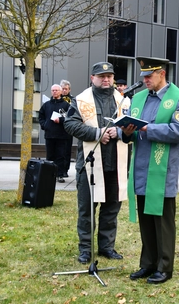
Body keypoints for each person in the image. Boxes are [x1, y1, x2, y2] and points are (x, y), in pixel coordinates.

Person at [122, 57, 179, 284]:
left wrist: (145, 127)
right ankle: (148, 263)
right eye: (143, 76)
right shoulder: (139, 98)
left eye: (148, 76)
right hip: (141, 169)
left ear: (161, 73)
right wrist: (126, 131)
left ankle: (164, 267)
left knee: (162, 222)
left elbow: (178, 131)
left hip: (162, 172)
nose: (144, 80)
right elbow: (132, 135)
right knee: (146, 220)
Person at [64, 62, 130, 264]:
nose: (106, 79)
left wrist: (119, 132)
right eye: (101, 76)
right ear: (92, 78)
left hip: (116, 164)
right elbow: (70, 124)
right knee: (87, 210)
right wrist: (96, 133)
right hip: (90, 165)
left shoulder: (123, 101)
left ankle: (107, 247)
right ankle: (85, 249)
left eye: (109, 76)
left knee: (111, 208)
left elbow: (131, 126)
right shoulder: (81, 100)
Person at [38, 84, 70, 183]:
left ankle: (60, 175)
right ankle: (49, 175)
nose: (54, 92)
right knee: (50, 156)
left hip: (61, 135)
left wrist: (60, 120)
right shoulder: (46, 105)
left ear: (60, 92)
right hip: (49, 134)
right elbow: (41, 117)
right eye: (53, 90)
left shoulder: (66, 105)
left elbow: (70, 118)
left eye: (56, 90)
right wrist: (45, 125)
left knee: (60, 156)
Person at [60, 80, 74, 178]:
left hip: (68, 128)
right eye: (63, 89)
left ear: (69, 90)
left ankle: (65, 169)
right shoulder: (56, 98)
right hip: (58, 128)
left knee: (67, 150)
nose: (64, 91)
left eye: (66, 89)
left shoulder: (73, 100)